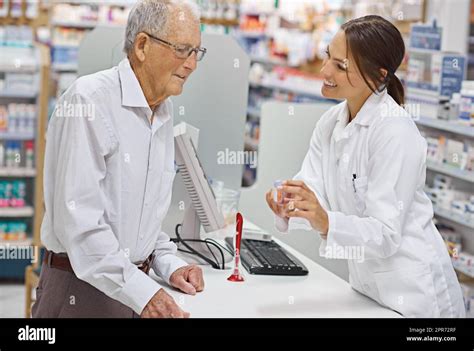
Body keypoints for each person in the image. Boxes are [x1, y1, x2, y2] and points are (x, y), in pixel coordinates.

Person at [266, 15, 465, 318]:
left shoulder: (395, 131)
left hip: (416, 297)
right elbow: (311, 189)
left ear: (378, 75)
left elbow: (385, 233)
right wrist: (288, 202)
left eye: (341, 66)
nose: (324, 71)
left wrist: (325, 221)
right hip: (368, 290)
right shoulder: (330, 123)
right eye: (327, 58)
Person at [33, 0, 206, 318]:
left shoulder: (162, 112)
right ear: (142, 45)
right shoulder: (89, 101)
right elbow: (80, 226)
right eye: (183, 49)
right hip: (79, 290)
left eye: (198, 52)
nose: (192, 64)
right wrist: (144, 293)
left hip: (129, 288)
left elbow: (142, 224)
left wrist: (170, 265)